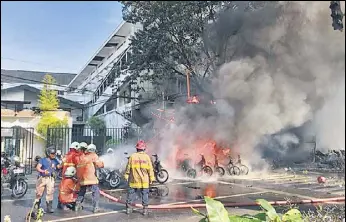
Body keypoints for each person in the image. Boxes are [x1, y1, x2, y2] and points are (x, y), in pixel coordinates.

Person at [124, 140, 155, 215]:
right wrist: (152, 178)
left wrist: (126, 175)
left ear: (137, 148)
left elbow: (128, 168)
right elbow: (150, 169)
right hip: (144, 181)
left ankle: (129, 209)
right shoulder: (147, 157)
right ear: (144, 149)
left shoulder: (132, 156)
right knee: (145, 194)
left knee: (131, 194)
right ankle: (145, 210)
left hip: (134, 179)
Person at [75, 143, 104, 213]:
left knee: (82, 191)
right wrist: (102, 164)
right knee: (95, 191)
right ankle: (96, 207)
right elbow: (99, 164)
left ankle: (77, 204)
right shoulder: (93, 155)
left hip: (82, 178)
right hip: (91, 178)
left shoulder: (82, 157)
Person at [34, 146, 62, 213]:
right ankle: (36, 206)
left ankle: (49, 207)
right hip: (42, 178)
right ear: (48, 153)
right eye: (52, 154)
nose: (54, 155)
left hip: (50, 178)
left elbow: (59, 166)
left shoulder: (55, 160)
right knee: (39, 193)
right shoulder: (43, 160)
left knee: (50, 192)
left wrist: (63, 162)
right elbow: (38, 167)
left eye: (54, 153)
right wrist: (43, 171)